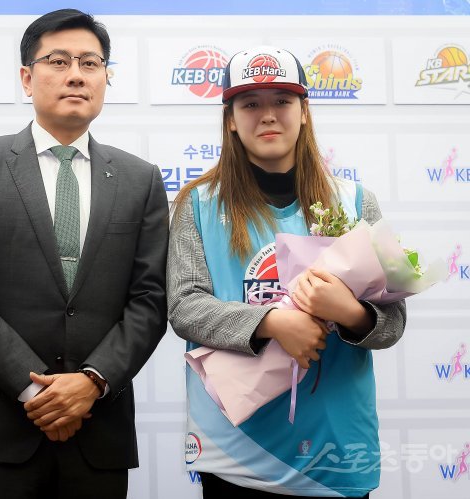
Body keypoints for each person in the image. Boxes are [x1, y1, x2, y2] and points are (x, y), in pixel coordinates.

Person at [0, 9, 168, 499]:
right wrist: (39, 391)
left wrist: (92, 382)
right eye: (58, 61)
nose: (76, 75)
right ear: (27, 77)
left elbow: (150, 301)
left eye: (90, 63)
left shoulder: (140, 179)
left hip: (97, 433)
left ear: (106, 78)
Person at [168, 46, 406, 498]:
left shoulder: (356, 201)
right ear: (230, 119)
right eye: (250, 104)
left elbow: (393, 324)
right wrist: (273, 322)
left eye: (282, 100)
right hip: (238, 451)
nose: (268, 115)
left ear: (304, 111)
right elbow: (185, 307)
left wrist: (351, 313)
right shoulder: (197, 204)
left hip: (335, 449)